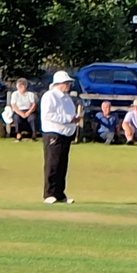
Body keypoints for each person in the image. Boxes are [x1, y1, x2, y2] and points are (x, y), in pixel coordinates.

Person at [40, 70, 79, 204]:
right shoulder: (49, 96)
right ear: (59, 83)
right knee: (53, 164)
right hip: (53, 133)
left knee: (62, 165)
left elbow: (71, 114)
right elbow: (48, 115)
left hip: (65, 134)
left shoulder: (67, 98)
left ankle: (60, 194)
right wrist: (68, 119)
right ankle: (49, 194)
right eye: (66, 82)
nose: (69, 85)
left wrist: (74, 120)